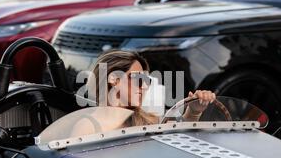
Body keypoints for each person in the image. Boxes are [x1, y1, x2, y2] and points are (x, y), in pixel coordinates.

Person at [86, 50, 216, 126]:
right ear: (114, 80)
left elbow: (179, 138)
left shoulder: (148, 120)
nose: (144, 86)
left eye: (147, 81)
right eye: (138, 79)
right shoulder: (88, 126)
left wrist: (194, 111)